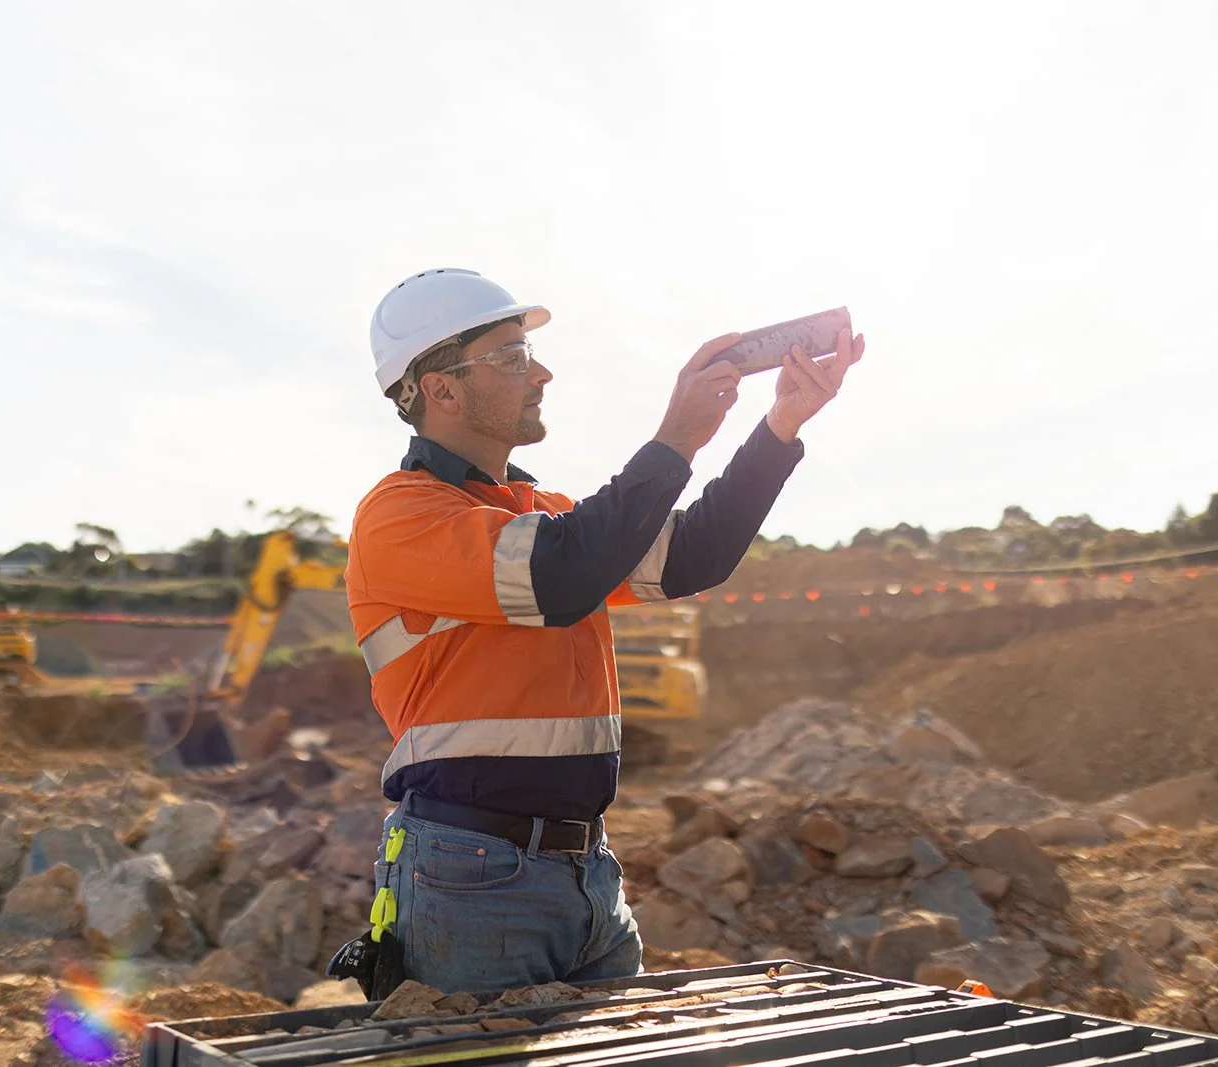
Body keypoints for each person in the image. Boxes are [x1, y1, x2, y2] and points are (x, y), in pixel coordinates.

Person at [344, 267, 863, 994]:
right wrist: (676, 437)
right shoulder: (401, 514)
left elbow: (692, 556)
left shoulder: (545, 510)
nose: (542, 372)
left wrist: (779, 428)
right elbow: (562, 572)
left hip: (588, 872)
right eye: (513, 356)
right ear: (442, 389)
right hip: (471, 871)